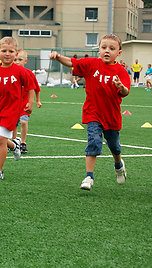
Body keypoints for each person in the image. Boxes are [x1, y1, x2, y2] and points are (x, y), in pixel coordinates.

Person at [49, 33, 130, 191]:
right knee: (94, 142)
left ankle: (119, 165)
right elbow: (72, 62)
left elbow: (125, 91)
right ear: (98, 49)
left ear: (119, 53)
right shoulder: (91, 64)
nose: (107, 51)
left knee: (114, 146)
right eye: (104, 47)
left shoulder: (121, 71)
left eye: (112, 48)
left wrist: (120, 87)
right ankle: (89, 176)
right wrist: (58, 57)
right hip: (93, 113)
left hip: (112, 116)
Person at [0, 36, 35, 180]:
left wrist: (30, 103)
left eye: (11, 51)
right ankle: (14, 146)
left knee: (0, 141)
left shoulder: (20, 71)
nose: (7, 54)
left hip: (12, 111)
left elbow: (31, 88)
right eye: (4, 51)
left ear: (16, 53)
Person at [12, 48, 42, 154]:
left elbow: (36, 89)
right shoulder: (10, 73)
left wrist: (37, 101)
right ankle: (14, 143)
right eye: (15, 60)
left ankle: (23, 142)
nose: (17, 62)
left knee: (23, 121)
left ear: (25, 61)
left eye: (20, 59)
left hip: (25, 104)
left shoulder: (29, 74)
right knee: (14, 125)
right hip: (13, 105)